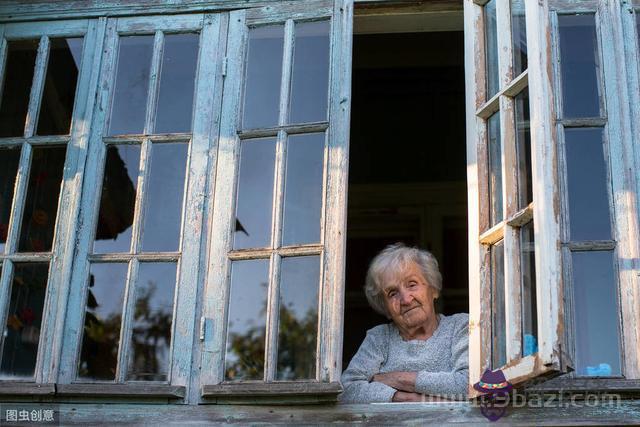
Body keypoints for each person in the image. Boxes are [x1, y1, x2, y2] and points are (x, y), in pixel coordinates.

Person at [339, 243, 469, 403]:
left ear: (433, 289)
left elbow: (468, 383)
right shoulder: (379, 338)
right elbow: (347, 389)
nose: (406, 300)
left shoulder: (460, 326)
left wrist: (397, 379)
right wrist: (405, 397)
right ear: (385, 307)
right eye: (393, 293)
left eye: (412, 284)